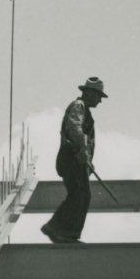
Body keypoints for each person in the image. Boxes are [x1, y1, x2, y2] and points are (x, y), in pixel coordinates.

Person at [41, 76, 107, 243]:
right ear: (90, 93)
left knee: (80, 195)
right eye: (99, 96)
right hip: (72, 158)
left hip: (75, 159)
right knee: (81, 195)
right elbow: (74, 128)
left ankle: (65, 232)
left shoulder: (84, 109)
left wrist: (88, 160)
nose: (100, 100)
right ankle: (59, 229)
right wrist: (83, 150)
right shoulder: (79, 106)